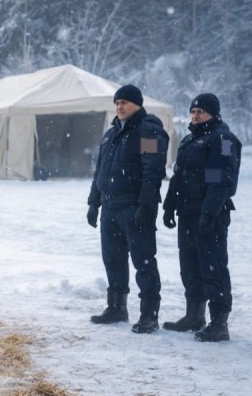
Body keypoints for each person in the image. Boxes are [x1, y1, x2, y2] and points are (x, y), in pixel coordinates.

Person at [86, 84, 169, 334]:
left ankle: (149, 314)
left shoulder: (149, 131)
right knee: (112, 259)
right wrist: (93, 202)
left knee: (143, 261)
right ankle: (116, 307)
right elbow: (100, 171)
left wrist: (145, 206)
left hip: (134, 207)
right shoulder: (111, 134)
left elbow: (152, 172)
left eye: (125, 102)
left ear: (138, 104)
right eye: (117, 102)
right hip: (110, 206)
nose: (120, 107)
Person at [162, 93, 241, 342]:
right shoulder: (188, 140)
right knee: (190, 265)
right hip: (186, 212)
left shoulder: (223, 139)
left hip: (210, 215)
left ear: (213, 114)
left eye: (201, 112)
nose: (195, 116)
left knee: (213, 266)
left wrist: (209, 212)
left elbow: (222, 180)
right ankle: (194, 315)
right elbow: (178, 176)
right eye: (193, 112)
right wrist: (169, 205)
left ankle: (219, 322)